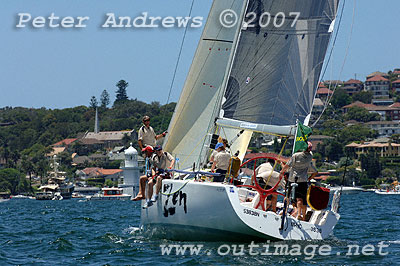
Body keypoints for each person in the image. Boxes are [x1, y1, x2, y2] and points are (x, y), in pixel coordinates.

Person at [281, 141, 318, 221]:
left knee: (287, 196)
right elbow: (315, 172)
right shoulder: (310, 157)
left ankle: (286, 211)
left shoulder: (295, 156)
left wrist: (281, 172)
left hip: (292, 179)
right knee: (301, 199)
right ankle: (302, 216)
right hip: (303, 180)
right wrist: (308, 179)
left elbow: (287, 165)